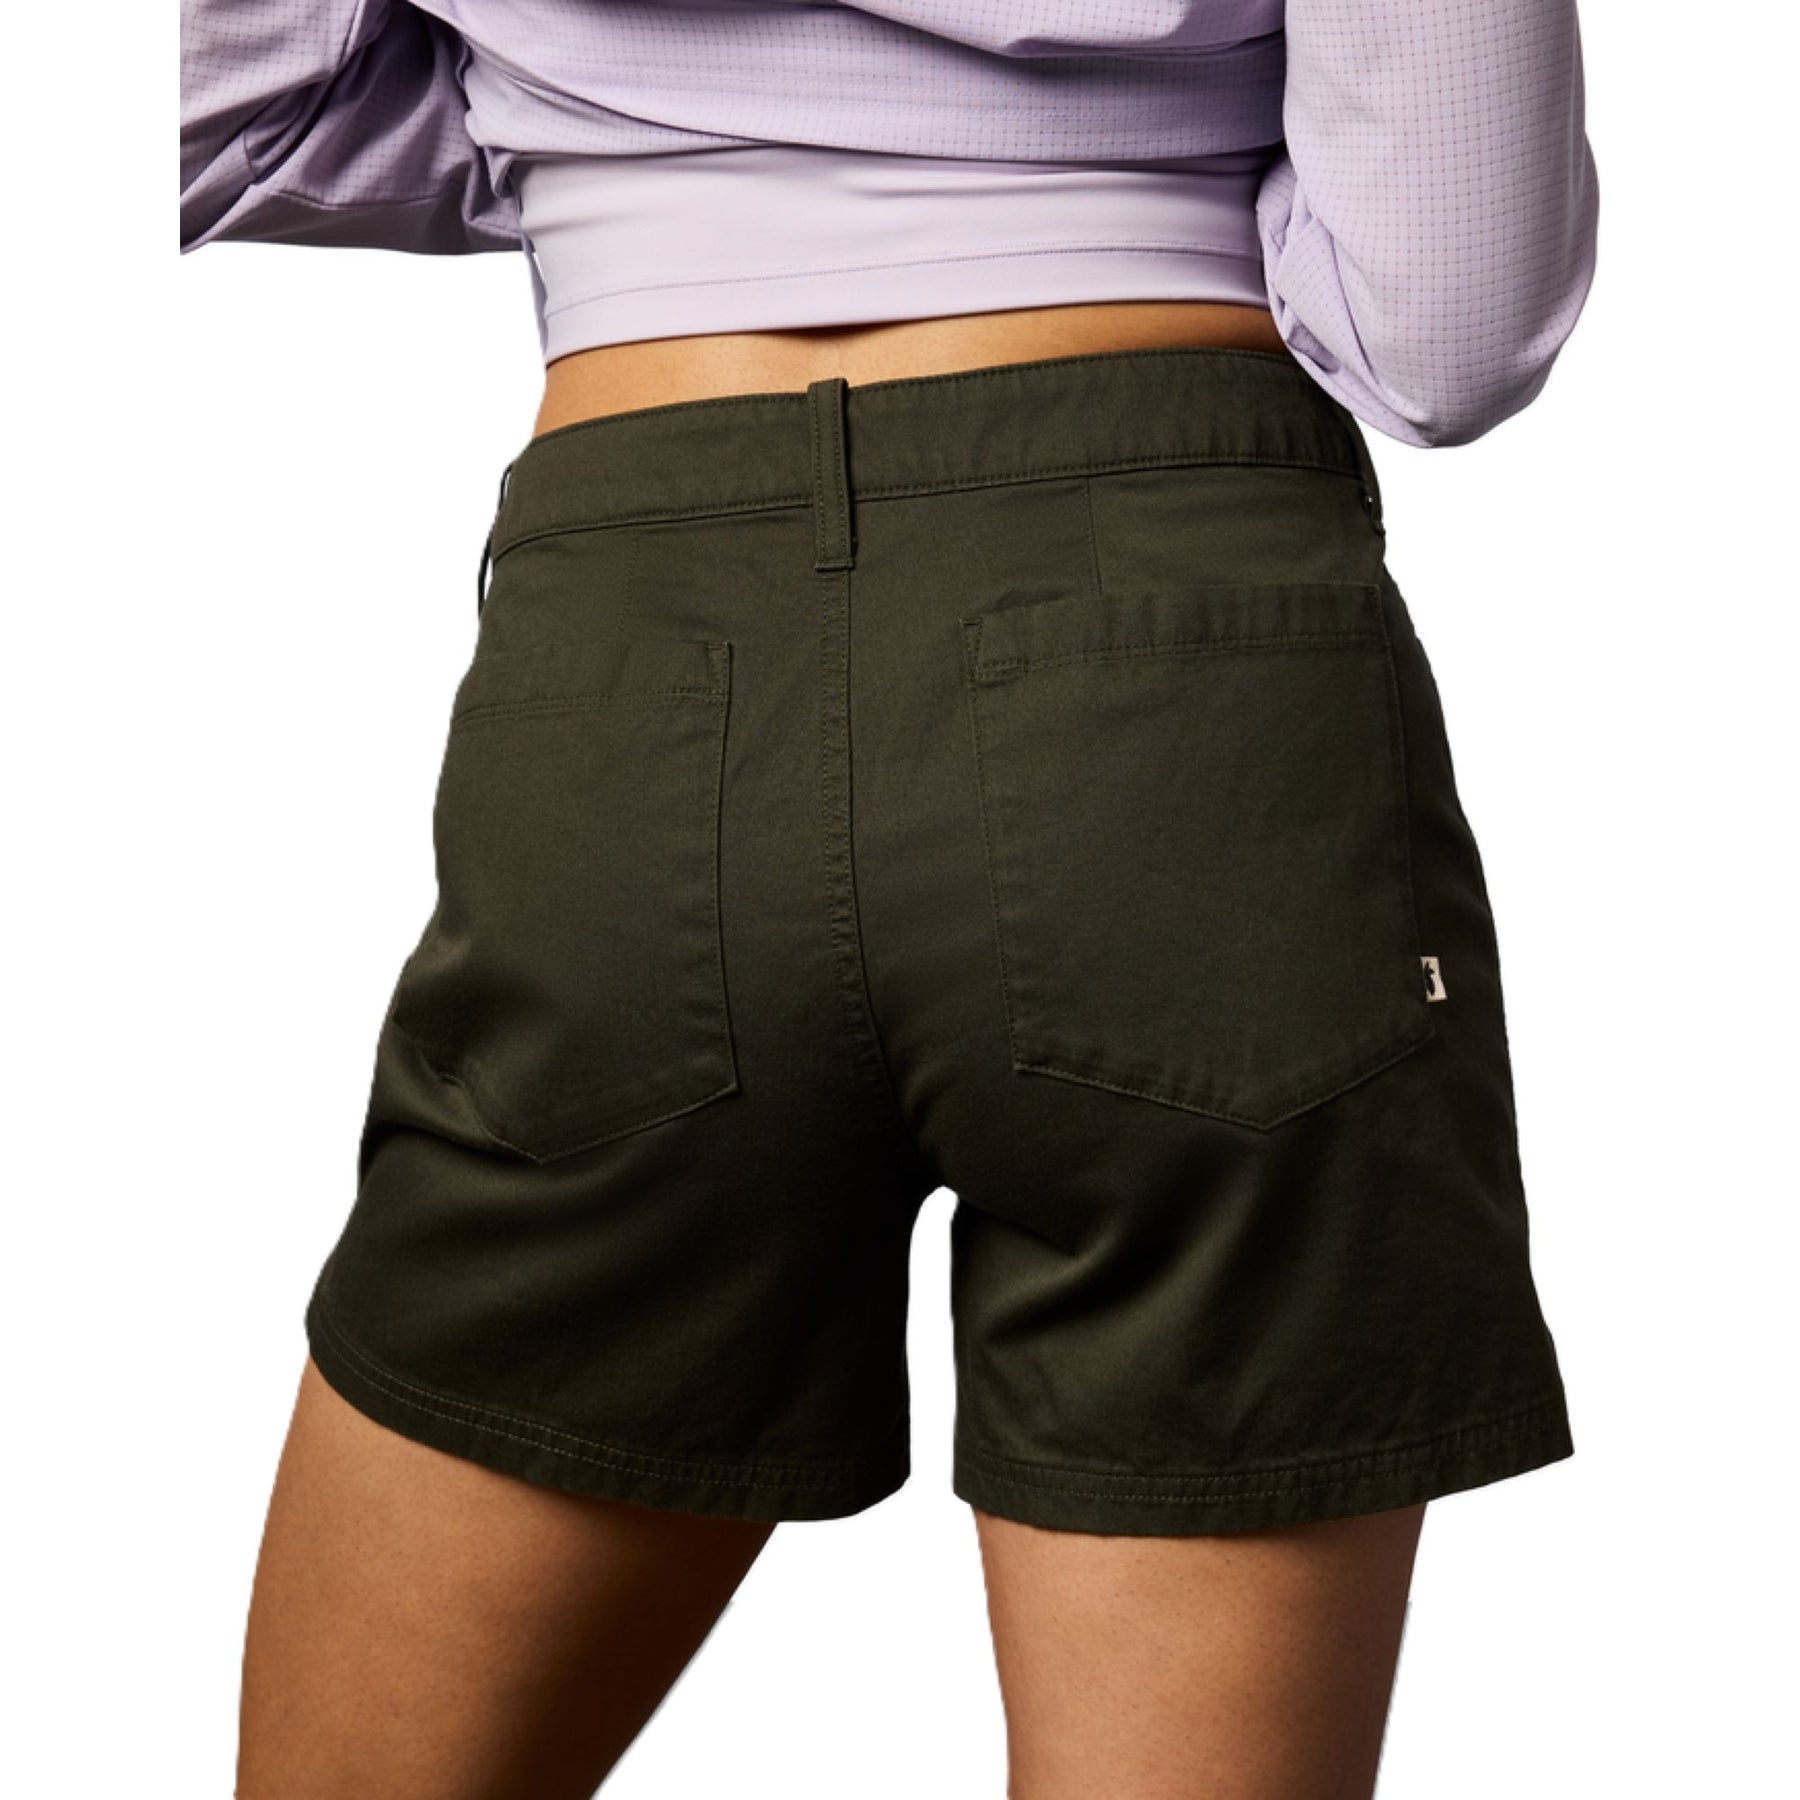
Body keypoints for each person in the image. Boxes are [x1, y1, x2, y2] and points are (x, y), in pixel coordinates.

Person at [181, 4, 1599, 1794]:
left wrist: (586, 112)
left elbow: (215, 114)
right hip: (1185, 677)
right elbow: (1449, 326)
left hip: (640, 650)